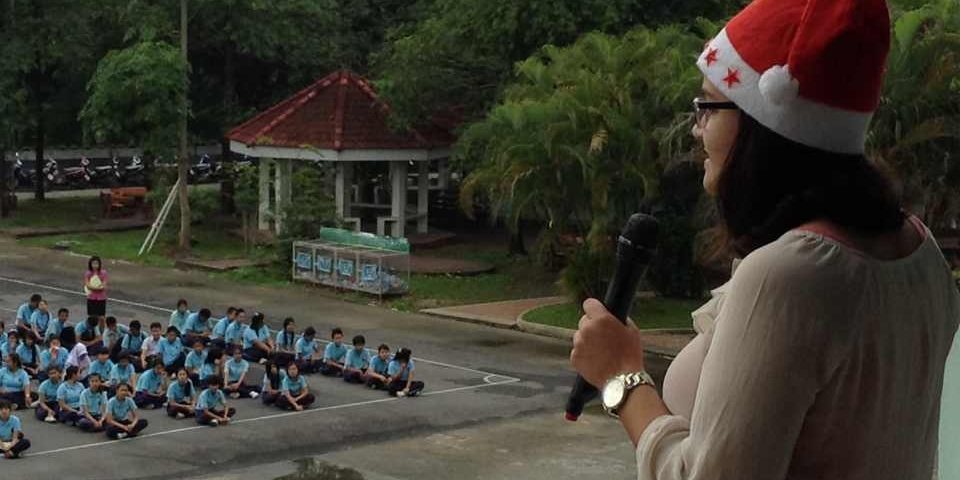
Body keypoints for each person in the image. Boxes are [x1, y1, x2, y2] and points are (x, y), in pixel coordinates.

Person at [569, 2, 960, 478]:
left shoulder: (792, 276)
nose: (696, 129)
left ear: (764, 125)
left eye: (707, 107)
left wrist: (622, 378)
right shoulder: (920, 253)